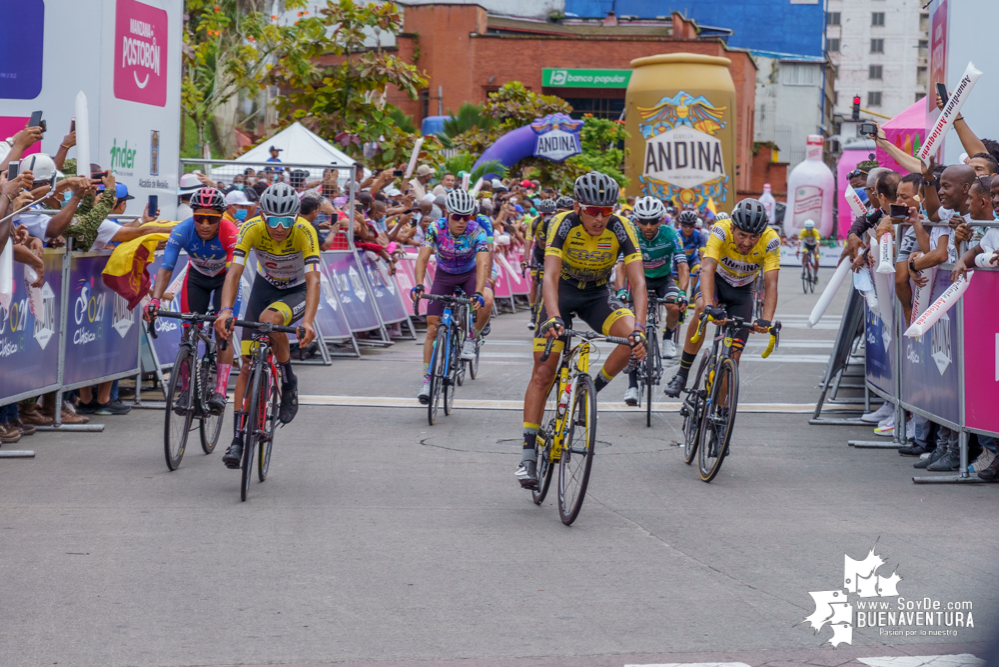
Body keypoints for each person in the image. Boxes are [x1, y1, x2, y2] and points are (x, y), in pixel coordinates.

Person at [517, 171, 647, 489]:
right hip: (560, 293)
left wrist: (641, 329)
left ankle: (588, 394)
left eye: (606, 211)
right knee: (544, 372)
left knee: (630, 339)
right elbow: (548, 276)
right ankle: (528, 454)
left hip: (596, 295)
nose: (600, 219)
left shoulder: (621, 227)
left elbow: (639, 281)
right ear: (577, 206)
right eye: (592, 211)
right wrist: (551, 317)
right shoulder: (561, 223)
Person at [213, 183, 320, 469]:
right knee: (247, 364)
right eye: (273, 220)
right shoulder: (250, 229)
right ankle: (237, 439)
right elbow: (234, 272)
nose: (280, 227)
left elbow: (313, 280)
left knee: (269, 321)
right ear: (262, 216)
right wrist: (225, 310)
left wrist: (308, 320)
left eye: (287, 221)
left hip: (295, 291)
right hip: (265, 287)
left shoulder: (305, 231)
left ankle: (288, 379)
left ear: (297, 217)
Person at [664, 199, 780, 398]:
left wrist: (766, 320)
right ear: (732, 227)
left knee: (732, 358)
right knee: (701, 309)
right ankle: (682, 374)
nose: (746, 242)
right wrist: (709, 306)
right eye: (742, 235)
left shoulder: (771, 241)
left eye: (753, 237)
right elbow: (707, 268)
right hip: (716, 282)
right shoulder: (720, 230)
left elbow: (771, 284)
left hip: (742, 292)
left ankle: (720, 411)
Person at [144, 188, 239, 414]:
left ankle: (220, 389)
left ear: (221, 217)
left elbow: (233, 274)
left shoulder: (230, 232)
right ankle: (187, 388)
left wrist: (225, 310)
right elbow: (166, 268)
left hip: (225, 279)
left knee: (224, 330)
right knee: (188, 333)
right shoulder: (182, 231)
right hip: (197, 278)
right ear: (192, 215)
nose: (205, 224)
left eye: (212, 219)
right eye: (199, 218)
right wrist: (155, 300)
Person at [409, 190, 490, 404]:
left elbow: (482, 263)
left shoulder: (476, 231)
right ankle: (427, 380)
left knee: (488, 299)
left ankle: (472, 337)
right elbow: (422, 258)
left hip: (469, 273)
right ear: (447, 213)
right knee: (432, 329)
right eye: (457, 217)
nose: (462, 222)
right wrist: (418, 284)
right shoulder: (435, 228)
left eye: (467, 217)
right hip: (444, 275)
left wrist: (479, 292)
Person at [616, 196, 689, 406]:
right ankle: (632, 386)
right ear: (636, 220)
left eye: (654, 221)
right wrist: (621, 289)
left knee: (675, 304)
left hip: (664, 279)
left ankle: (667, 336)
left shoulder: (671, 234)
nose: (648, 226)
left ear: (662, 220)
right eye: (643, 221)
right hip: (639, 282)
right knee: (631, 329)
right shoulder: (631, 233)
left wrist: (683, 293)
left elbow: (683, 266)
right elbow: (620, 266)